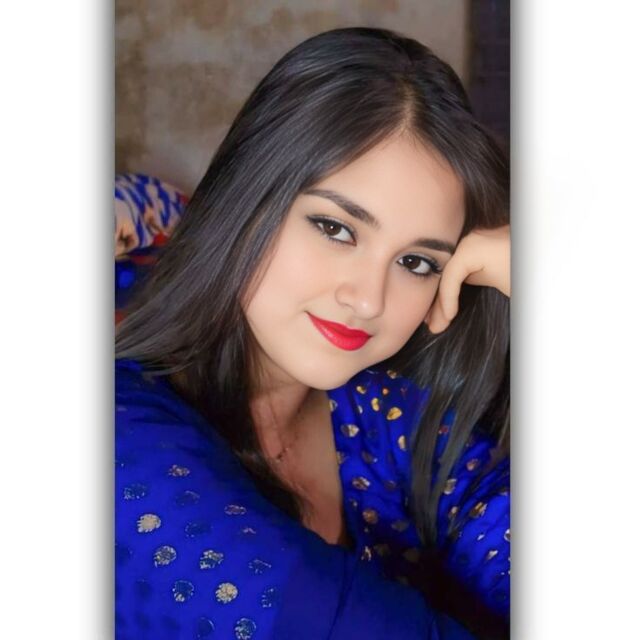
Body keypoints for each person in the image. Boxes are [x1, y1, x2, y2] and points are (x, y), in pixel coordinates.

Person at [115, 27, 510, 639]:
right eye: (335, 228)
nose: (367, 299)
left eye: (415, 262)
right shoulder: (116, 432)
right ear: (249, 198)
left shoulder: (385, 417)